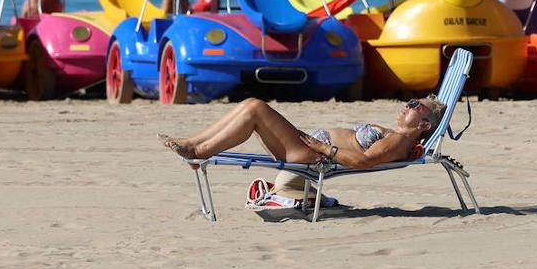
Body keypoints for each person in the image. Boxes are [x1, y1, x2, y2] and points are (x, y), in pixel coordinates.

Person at [160, 95, 446, 173]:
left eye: (414, 105)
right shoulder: (394, 135)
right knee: (250, 105)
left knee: (255, 108)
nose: (406, 105)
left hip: (312, 156)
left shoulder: (398, 141)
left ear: (424, 125)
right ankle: (193, 144)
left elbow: (364, 162)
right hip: (311, 148)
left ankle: (198, 151)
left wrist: (324, 149)